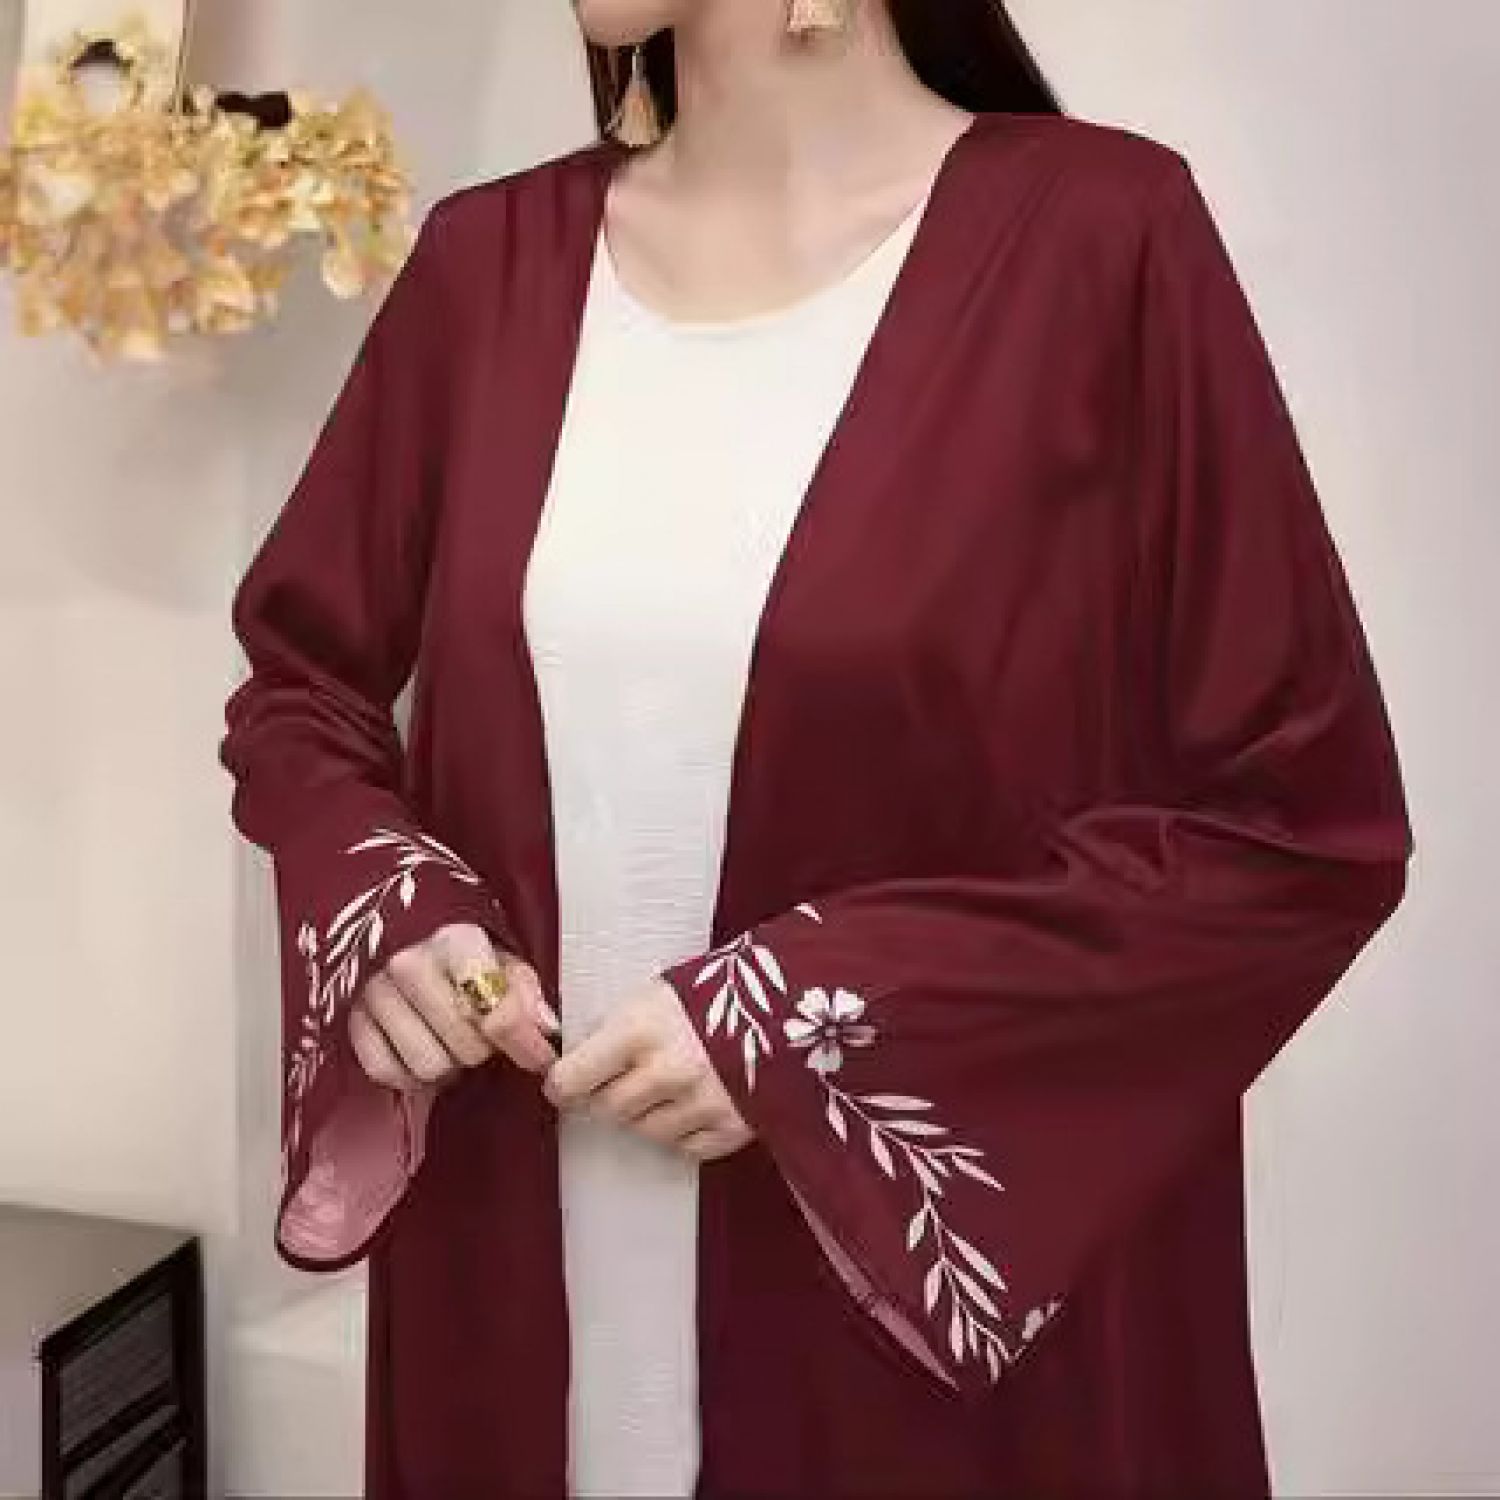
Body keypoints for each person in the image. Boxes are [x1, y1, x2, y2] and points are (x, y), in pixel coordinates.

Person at [219, 1, 1412, 1495]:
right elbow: (304, 685)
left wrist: (813, 1018)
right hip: (516, 1271)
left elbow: (1298, 826)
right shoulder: (489, 266)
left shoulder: (1100, 243)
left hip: (897, 1371)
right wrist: (393, 908)